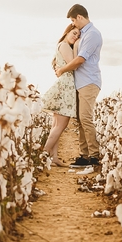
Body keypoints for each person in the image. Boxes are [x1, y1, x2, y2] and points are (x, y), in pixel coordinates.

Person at [54, 4, 102, 167]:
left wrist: (62, 70)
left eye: (74, 20)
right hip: (81, 82)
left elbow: (80, 60)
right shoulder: (84, 34)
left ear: (80, 17)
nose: (74, 23)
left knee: (86, 118)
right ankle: (84, 155)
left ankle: (94, 156)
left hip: (89, 81)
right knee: (81, 119)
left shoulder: (93, 34)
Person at [40, 24, 80, 167]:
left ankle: (54, 157)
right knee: (61, 125)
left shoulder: (62, 46)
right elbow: (74, 64)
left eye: (78, 36)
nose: (76, 37)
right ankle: (44, 154)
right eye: (74, 33)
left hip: (64, 84)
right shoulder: (64, 46)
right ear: (67, 32)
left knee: (56, 125)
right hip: (66, 86)